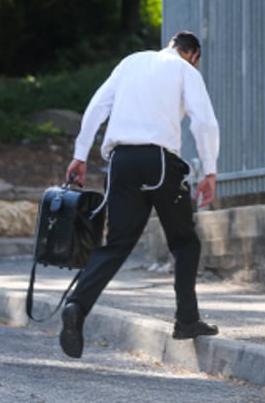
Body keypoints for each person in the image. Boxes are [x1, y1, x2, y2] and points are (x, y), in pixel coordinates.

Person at [58, 30, 220, 359]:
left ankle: (77, 305)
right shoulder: (185, 71)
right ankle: (186, 320)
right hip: (159, 161)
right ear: (193, 55)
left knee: (117, 243)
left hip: (120, 163)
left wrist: (79, 155)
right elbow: (204, 121)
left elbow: (97, 106)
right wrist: (210, 170)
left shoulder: (130, 62)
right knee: (184, 242)